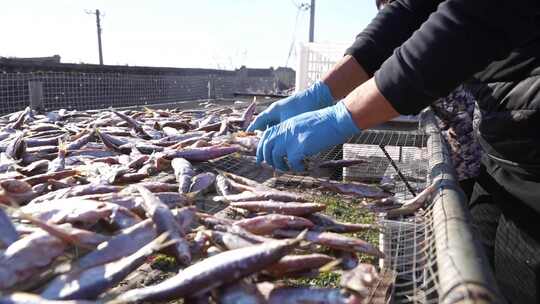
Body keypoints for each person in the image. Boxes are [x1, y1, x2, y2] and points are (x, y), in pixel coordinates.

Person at [247, 0, 540, 302]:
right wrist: (320, 93)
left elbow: (478, 14)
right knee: (481, 254)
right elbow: (412, 11)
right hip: (503, 151)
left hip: (531, 162)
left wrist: (341, 116)